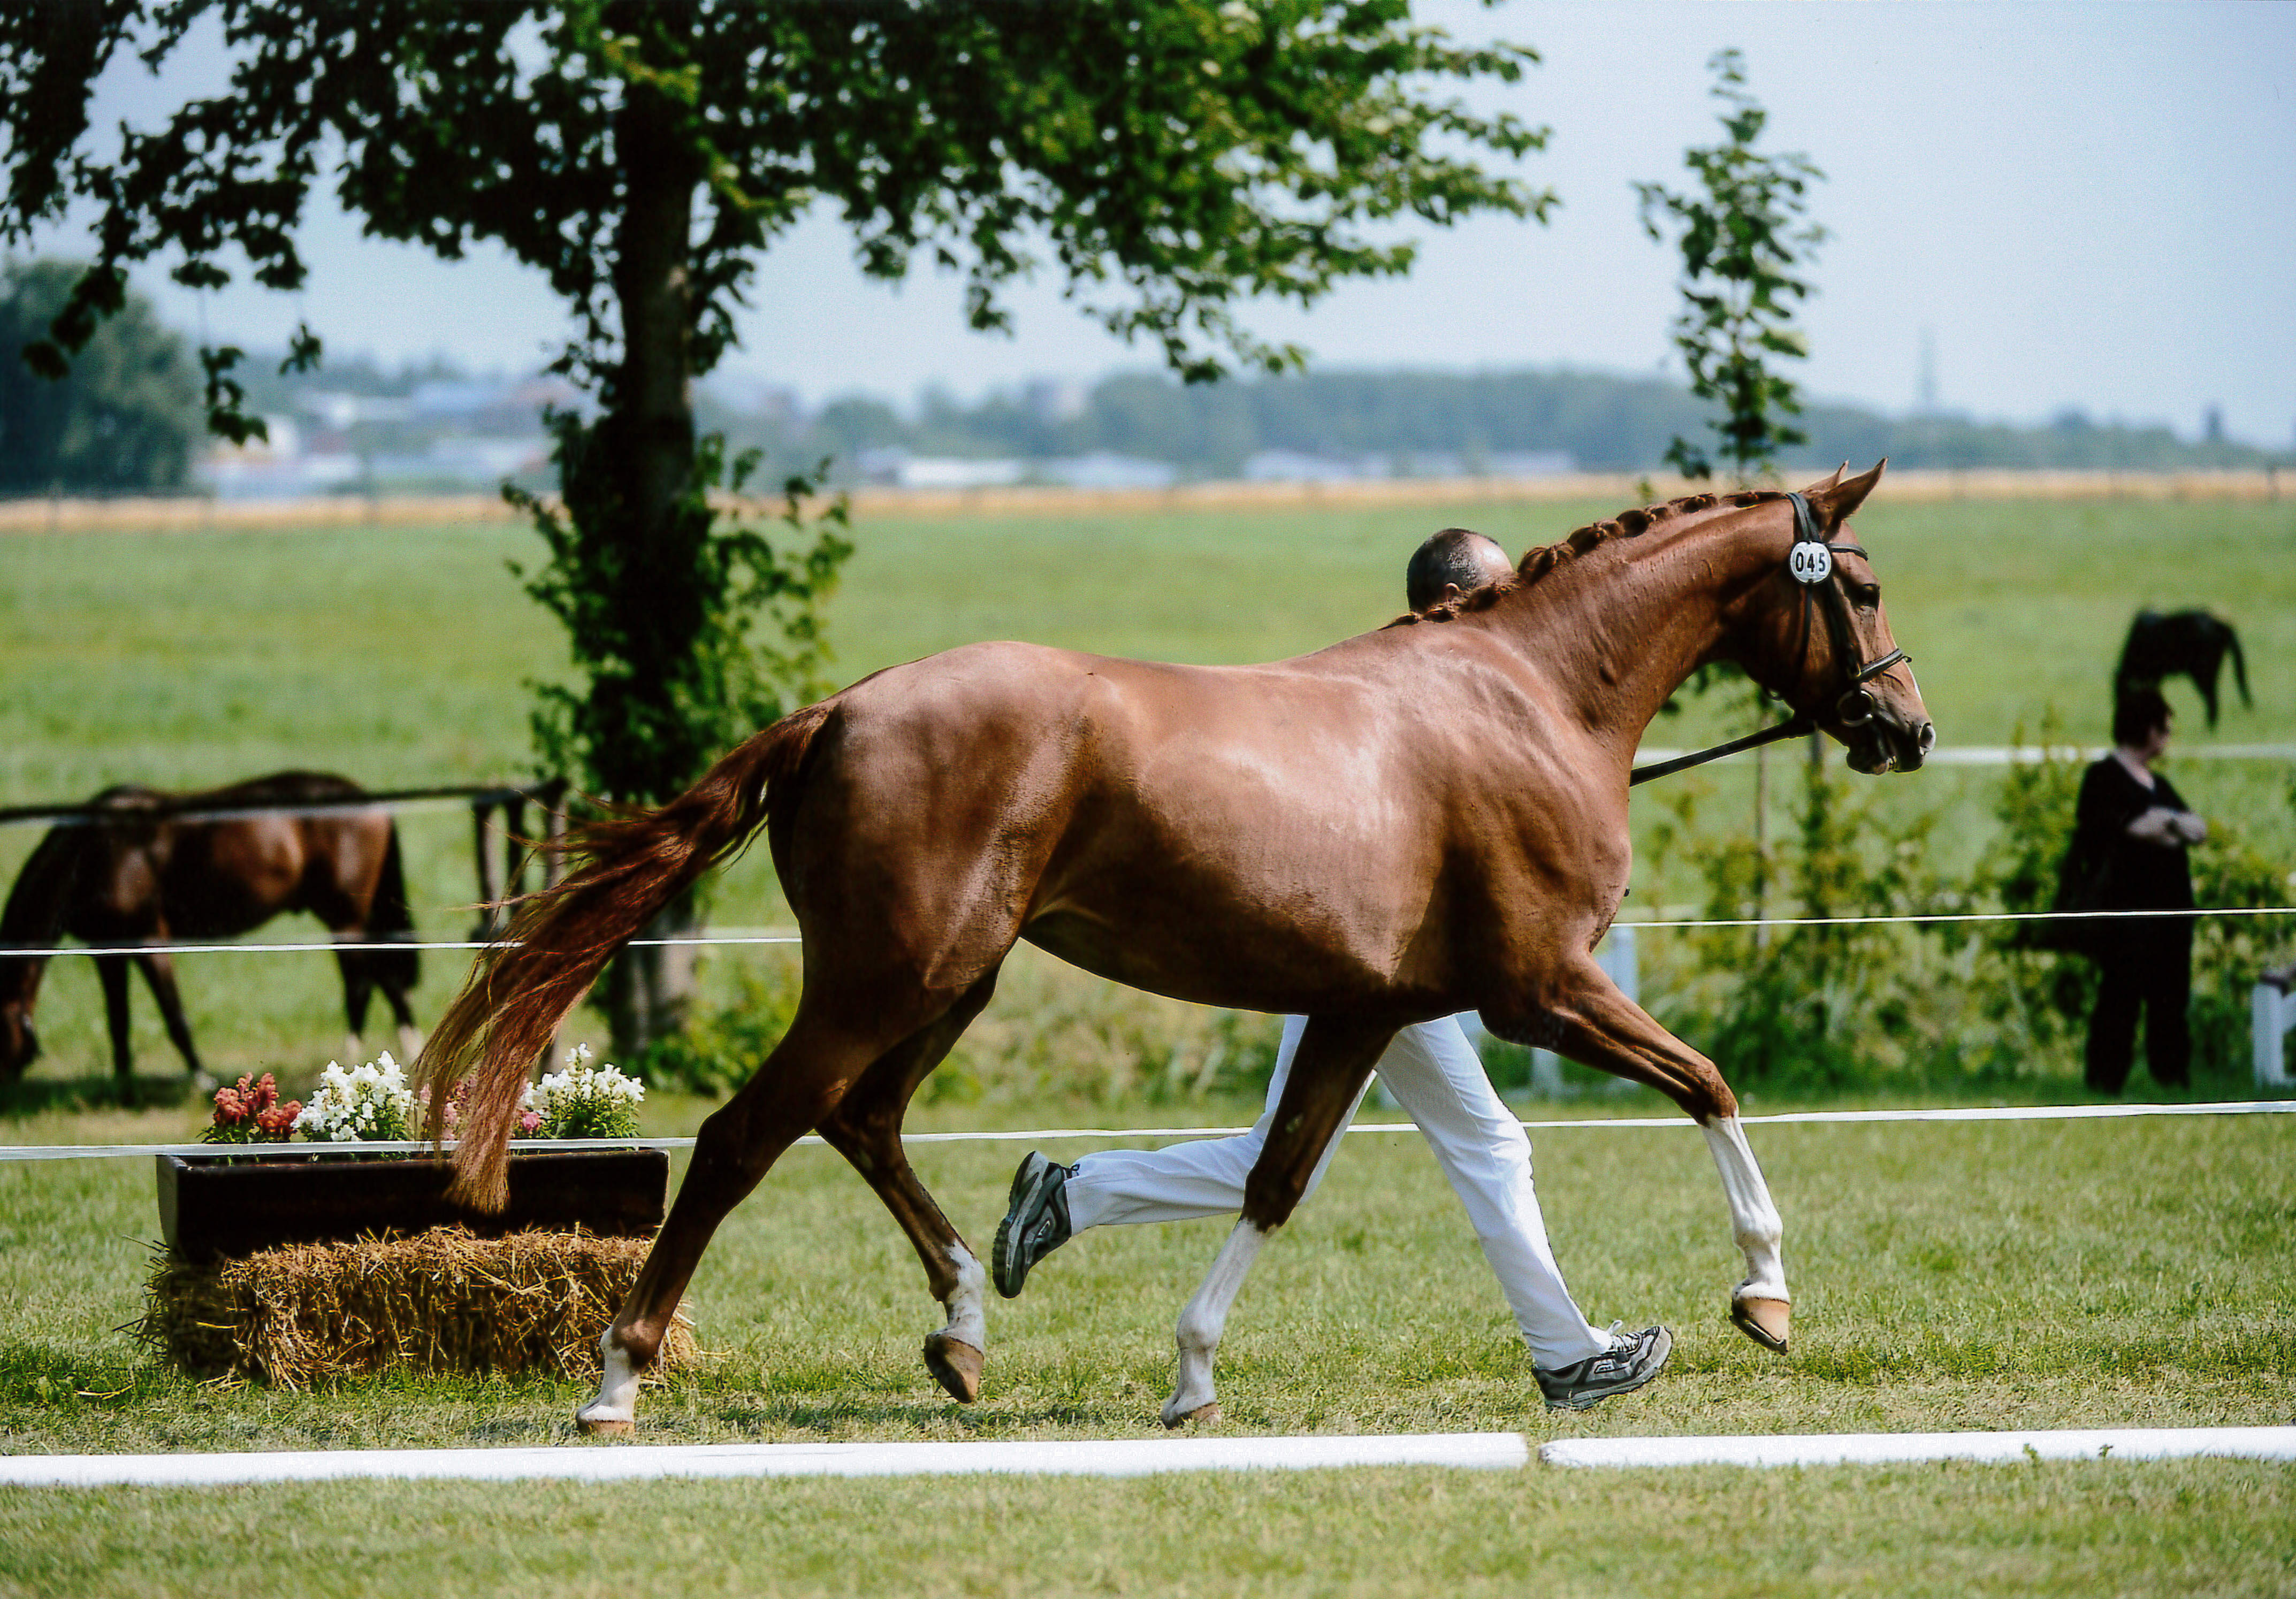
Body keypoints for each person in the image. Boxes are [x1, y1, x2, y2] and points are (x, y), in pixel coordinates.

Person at [992, 528, 1672, 1414]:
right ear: (1451, 605)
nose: (1517, 615)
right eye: (1498, 596)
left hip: (1391, 965)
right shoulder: (1427, 690)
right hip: (1376, 960)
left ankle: (1072, 1194)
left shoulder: (1455, 694)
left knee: (1346, 1150)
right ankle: (1568, 1356)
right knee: (1421, 1147)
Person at [2075, 687, 2206, 1093]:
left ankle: (2170, 1077)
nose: (2167, 738)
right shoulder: (2103, 777)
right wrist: (2167, 824)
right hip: (2125, 910)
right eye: (2164, 729)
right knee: (2119, 997)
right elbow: (2125, 828)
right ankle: (2105, 1079)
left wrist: (2162, 820)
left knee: (2171, 998)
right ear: (2147, 730)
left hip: (2170, 911)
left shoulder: (2158, 783)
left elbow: (2196, 828)